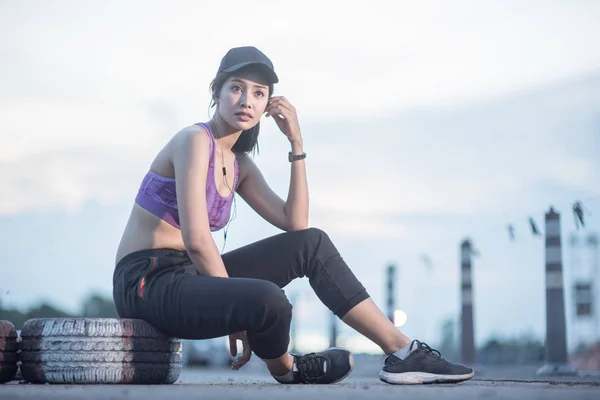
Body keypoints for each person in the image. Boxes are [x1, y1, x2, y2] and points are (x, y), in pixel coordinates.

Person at [112, 45, 475, 385]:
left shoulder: (239, 165)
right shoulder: (194, 140)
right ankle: (288, 367)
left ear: (268, 104)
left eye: (258, 93)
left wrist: (296, 144)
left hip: (192, 276)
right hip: (147, 281)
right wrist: (233, 308)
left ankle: (403, 351)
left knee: (312, 243)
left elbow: (295, 225)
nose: (246, 100)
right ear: (216, 93)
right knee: (269, 299)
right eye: (236, 88)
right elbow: (196, 239)